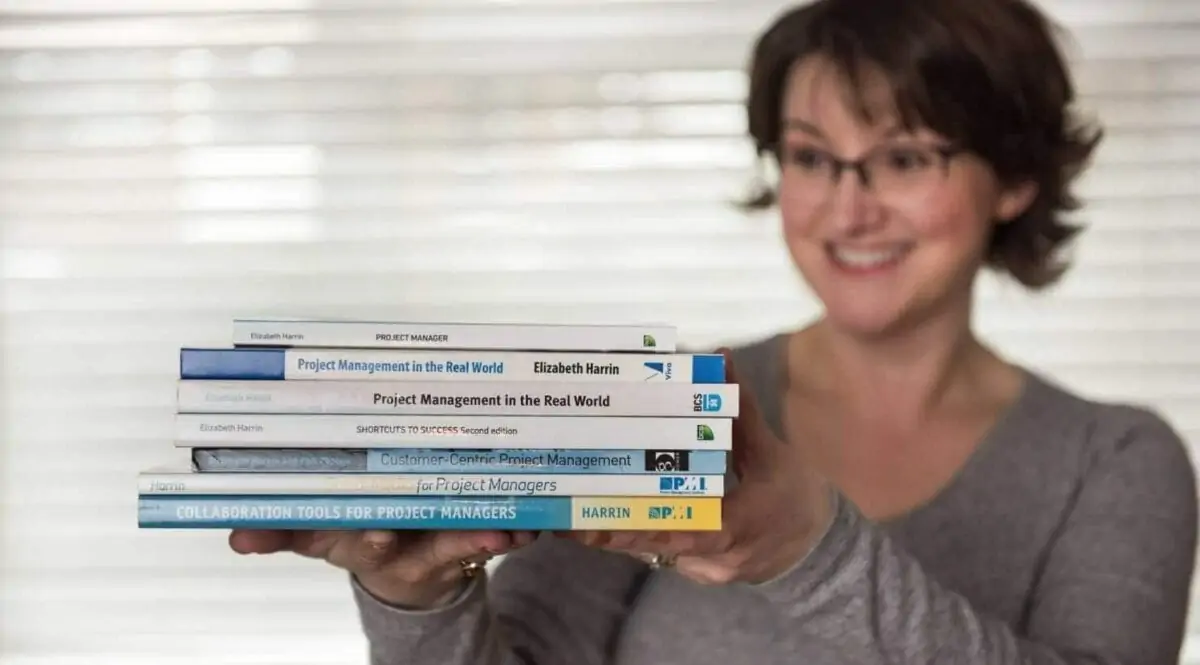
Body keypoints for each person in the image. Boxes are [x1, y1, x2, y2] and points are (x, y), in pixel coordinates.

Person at [228, 0, 1200, 662]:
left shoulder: (1115, 460)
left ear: (1018, 176)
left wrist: (805, 550)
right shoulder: (677, 409)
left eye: (903, 156)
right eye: (813, 157)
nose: (845, 209)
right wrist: (416, 600)